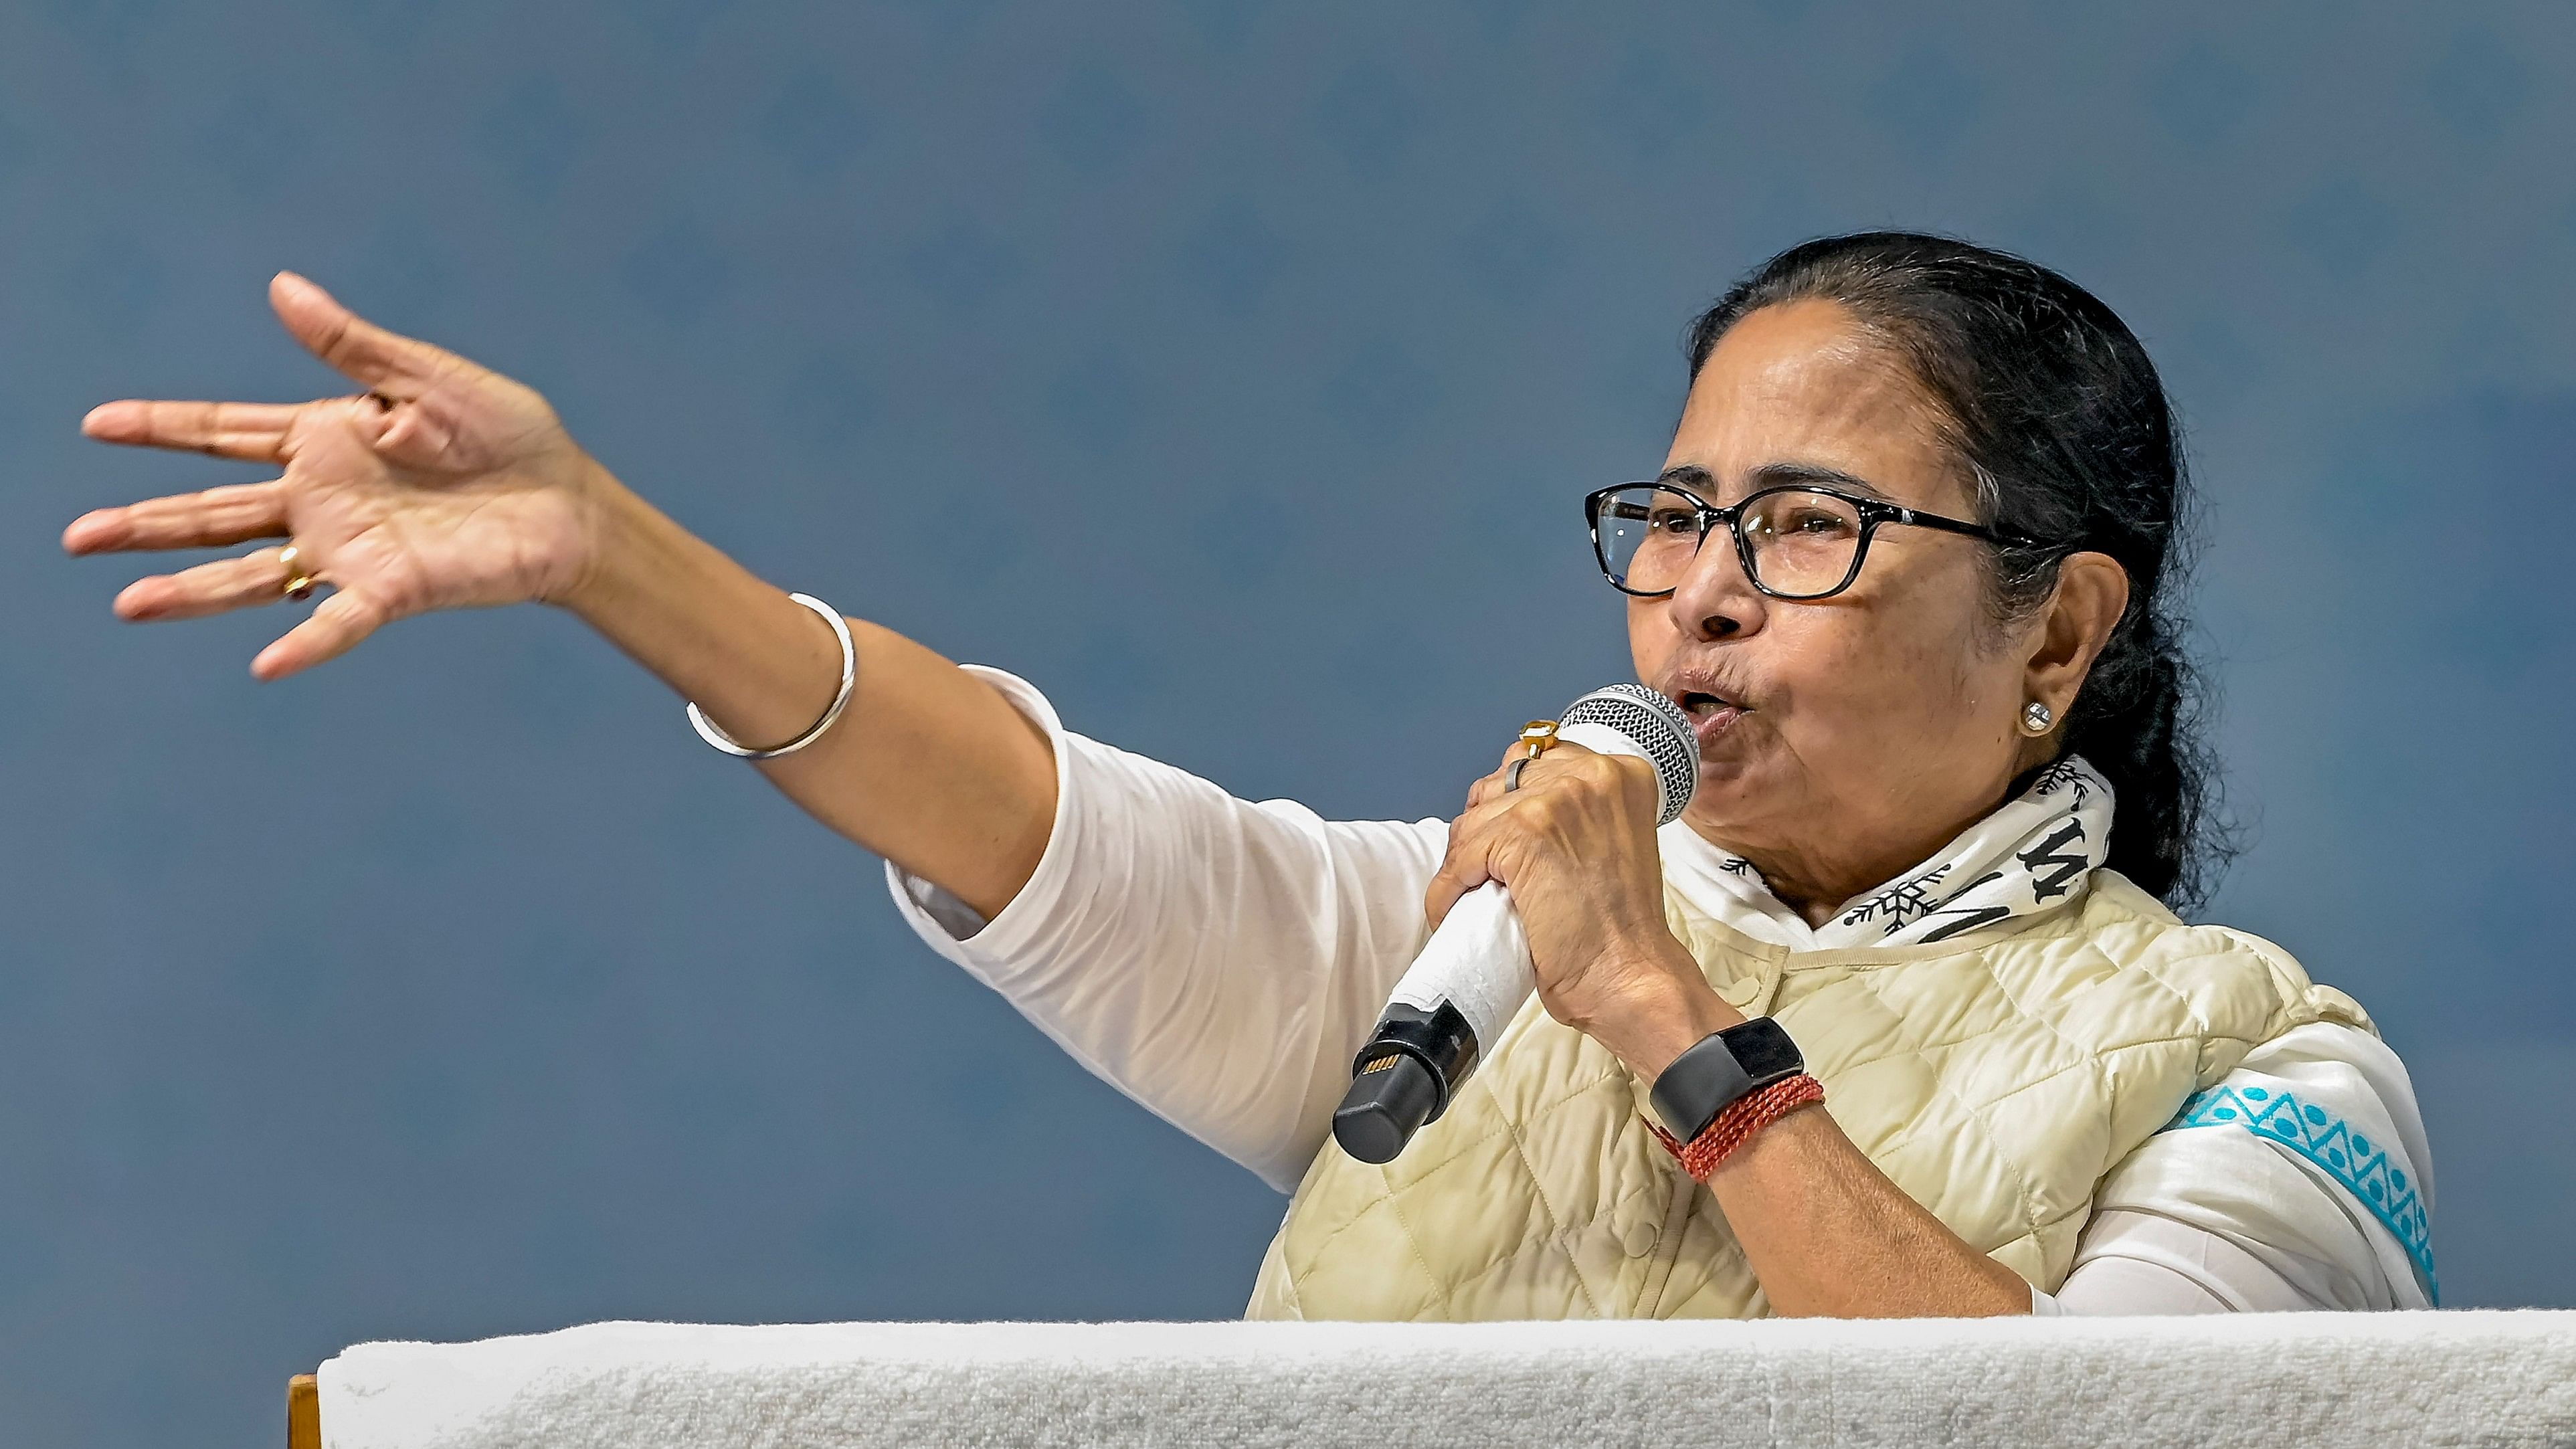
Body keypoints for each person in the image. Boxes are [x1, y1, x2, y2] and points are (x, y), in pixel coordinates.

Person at [64, 232, 2432, 1319]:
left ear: (2060, 627)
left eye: (1805, 526)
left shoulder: (2264, 1064)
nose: (1700, 591)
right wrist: (609, 557)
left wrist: (1672, 1034)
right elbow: (1033, 818)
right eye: (1672, 518)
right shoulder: (1467, 942)